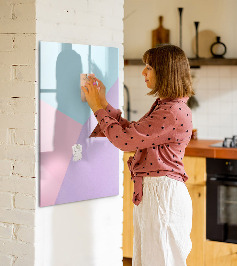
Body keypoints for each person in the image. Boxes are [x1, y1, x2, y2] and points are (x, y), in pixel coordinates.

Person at [81, 44, 194, 266]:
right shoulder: (167, 106)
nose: (143, 72)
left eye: (149, 67)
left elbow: (125, 141)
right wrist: (103, 103)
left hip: (162, 195)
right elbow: (133, 133)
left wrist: (97, 108)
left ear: (165, 71)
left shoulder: (171, 111)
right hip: (156, 193)